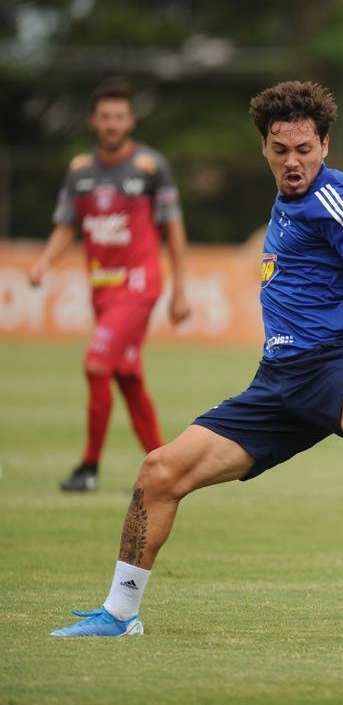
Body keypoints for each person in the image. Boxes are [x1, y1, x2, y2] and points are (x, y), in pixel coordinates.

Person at [51, 81, 343, 638]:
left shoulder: (326, 192)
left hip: (331, 366)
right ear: (264, 149)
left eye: (305, 149)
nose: (293, 161)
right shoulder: (302, 198)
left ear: (325, 145)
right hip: (275, 384)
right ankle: (119, 615)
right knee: (158, 473)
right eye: (281, 150)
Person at [28, 81, 191, 493]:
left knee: (96, 364)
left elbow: (173, 228)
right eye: (105, 116)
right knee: (126, 375)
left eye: (119, 116)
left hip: (138, 288)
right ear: (93, 121)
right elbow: (68, 225)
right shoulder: (81, 172)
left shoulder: (150, 168)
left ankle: (89, 468)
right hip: (102, 290)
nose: (112, 124)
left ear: (130, 120)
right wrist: (45, 262)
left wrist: (181, 289)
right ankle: (164, 462)